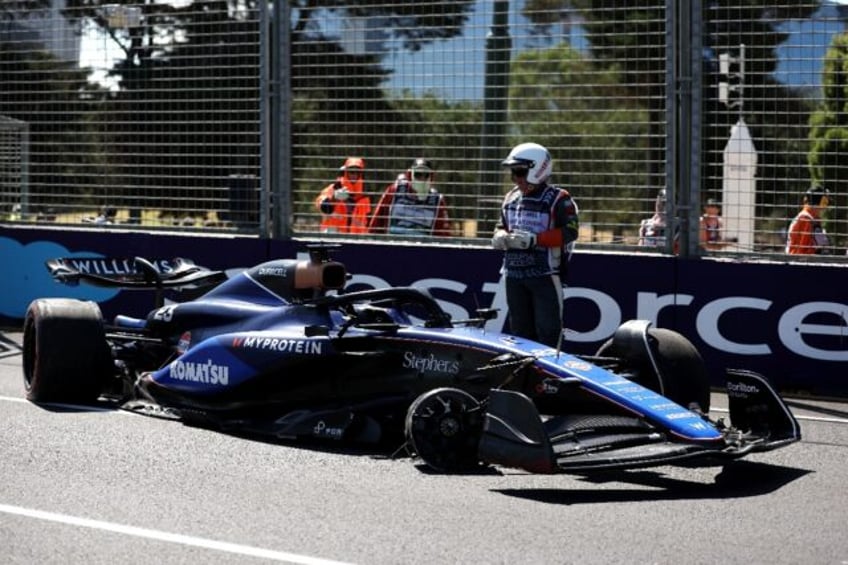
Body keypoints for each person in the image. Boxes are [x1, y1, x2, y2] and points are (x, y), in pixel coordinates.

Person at [492, 142, 579, 348]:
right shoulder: (510, 197)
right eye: (512, 173)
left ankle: (547, 378)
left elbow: (570, 232)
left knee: (548, 332)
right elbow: (500, 226)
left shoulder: (559, 198)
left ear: (538, 169)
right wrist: (500, 236)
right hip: (513, 275)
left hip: (544, 275)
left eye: (520, 172)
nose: (515, 179)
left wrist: (535, 240)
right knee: (520, 334)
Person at [368, 158, 453, 236]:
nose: (422, 179)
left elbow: (443, 236)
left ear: (431, 177)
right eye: (418, 174)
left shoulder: (437, 201)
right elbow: (376, 223)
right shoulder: (394, 190)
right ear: (409, 175)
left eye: (426, 175)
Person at [314, 157, 371, 234]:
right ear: (345, 172)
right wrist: (334, 198)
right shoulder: (333, 188)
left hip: (356, 239)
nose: (354, 175)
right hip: (333, 235)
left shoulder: (364, 196)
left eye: (357, 172)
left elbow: (368, 220)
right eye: (351, 171)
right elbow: (322, 206)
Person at [786, 185, 831, 255]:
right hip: (800, 262)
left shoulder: (813, 218)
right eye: (825, 201)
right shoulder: (805, 218)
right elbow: (802, 250)